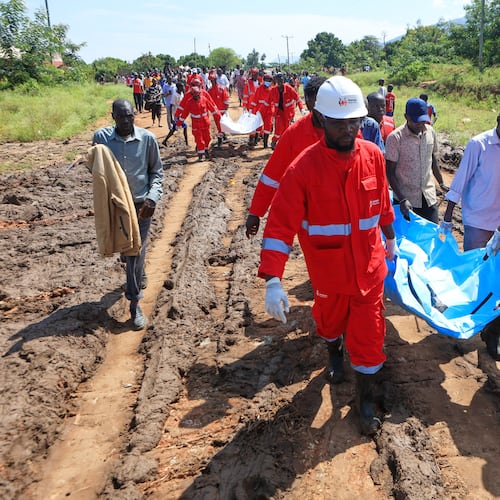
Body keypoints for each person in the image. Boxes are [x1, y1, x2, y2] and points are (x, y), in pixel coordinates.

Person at [258, 76, 397, 436]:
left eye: (354, 121)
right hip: (329, 273)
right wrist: (273, 278)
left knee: (369, 338)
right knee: (329, 323)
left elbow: (382, 204)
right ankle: (333, 350)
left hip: (369, 269)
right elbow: (279, 225)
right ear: (320, 120)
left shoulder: (373, 157)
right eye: (340, 123)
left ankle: (365, 403)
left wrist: (391, 239)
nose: (349, 129)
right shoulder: (303, 168)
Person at [92, 99, 163, 330]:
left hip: (142, 205)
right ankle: (137, 273)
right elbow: (94, 166)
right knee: (127, 249)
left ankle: (134, 303)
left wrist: (152, 198)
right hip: (116, 206)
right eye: (120, 117)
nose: (125, 121)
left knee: (135, 251)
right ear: (113, 116)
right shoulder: (101, 140)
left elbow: (157, 173)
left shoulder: (147, 139)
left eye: (129, 116)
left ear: (134, 114)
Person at [245, 76, 326, 238]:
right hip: (310, 214)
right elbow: (272, 175)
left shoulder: (347, 131)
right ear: (309, 102)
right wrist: (256, 212)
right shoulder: (295, 135)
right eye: (319, 103)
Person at [385, 98, 448, 224]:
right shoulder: (395, 138)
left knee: (431, 235)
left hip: (429, 197)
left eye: (422, 121)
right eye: (416, 121)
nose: (420, 124)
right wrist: (402, 199)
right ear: (406, 117)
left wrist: (441, 183)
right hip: (406, 201)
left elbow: (433, 159)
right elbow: (389, 172)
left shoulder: (430, 132)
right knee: (409, 240)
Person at [174, 81, 222, 161]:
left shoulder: (204, 98)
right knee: (200, 140)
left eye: (198, 95)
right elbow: (184, 113)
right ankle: (200, 155)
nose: (197, 97)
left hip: (205, 123)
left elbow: (212, 108)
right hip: (196, 124)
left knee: (207, 138)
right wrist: (178, 123)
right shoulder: (189, 102)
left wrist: (219, 116)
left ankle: (205, 150)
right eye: (195, 95)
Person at [269, 72, 306, 150]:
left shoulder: (289, 89)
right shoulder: (273, 90)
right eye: (278, 80)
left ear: (283, 80)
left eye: (281, 80)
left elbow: (298, 98)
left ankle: (286, 145)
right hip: (278, 113)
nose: (279, 82)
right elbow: (269, 102)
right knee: (278, 128)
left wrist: (302, 108)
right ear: (276, 81)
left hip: (288, 113)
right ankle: (274, 142)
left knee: (287, 129)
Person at [247, 72, 275, 148]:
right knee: (258, 126)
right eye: (266, 80)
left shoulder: (272, 90)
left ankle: (265, 144)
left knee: (268, 126)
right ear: (264, 80)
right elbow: (255, 99)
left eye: (269, 80)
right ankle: (255, 140)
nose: (268, 82)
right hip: (260, 110)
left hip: (269, 110)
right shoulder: (259, 89)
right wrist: (251, 109)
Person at [162, 82, 189, 147]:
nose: (183, 88)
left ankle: (165, 141)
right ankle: (187, 143)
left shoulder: (181, 93)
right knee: (185, 126)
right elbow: (171, 105)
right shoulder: (175, 95)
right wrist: (171, 118)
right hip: (177, 114)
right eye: (182, 87)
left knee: (174, 129)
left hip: (181, 114)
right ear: (178, 87)